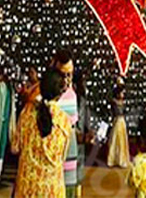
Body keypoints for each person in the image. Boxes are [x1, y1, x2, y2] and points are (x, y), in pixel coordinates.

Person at [13, 67, 73, 198]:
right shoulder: (64, 121)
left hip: (26, 187)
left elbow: (15, 148)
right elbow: (62, 157)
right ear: (60, 92)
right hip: (52, 190)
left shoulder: (26, 114)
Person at [52, 50, 78, 197]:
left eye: (70, 74)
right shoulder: (48, 94)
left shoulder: (71, 93)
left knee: (69, 187)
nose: (67, 79)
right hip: (54, 147)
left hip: (70, 146)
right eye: (63, 74)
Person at [73, 71, 94, 194]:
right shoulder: (67, 98)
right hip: (72, 138)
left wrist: (89, 131)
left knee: (79, 169)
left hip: (81, 140)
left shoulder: (82, 99)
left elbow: (86, 117)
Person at [106, 83, 130, 169]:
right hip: (117, 122)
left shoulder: (123, 102)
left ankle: (121, 159)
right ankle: (113, 159)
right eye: (121, 93)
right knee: (115, 140)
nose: (123, 94)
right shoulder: (114, 102)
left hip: (122, 121)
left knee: (122, 140)